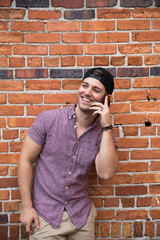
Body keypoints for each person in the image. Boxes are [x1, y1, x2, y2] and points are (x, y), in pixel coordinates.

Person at [18, 67, 119, 240]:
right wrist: (27, 207)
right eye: (84, 85)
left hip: (81, 217)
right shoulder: (48, 120)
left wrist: (107, 127)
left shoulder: (104, 135)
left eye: (96, 90)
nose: (87, 92)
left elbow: (106, 173)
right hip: (45, 216)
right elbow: (25, 160)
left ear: (106, 99)